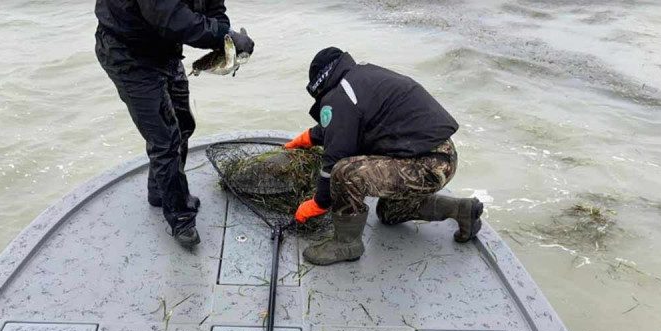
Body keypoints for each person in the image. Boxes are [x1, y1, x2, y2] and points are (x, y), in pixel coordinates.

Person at [286, 47, 483, 265]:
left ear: (319, 85)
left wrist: (319, 202)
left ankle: (346, 244)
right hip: (442, 157)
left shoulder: (341, 95)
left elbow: (334, 158)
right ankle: (461, 210)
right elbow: (349, 123)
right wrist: (311, 137)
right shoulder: (358, 78)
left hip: (426, 164)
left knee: (345, 172)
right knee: (389, 213)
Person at [95, 1, 254, 247]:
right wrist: (223, 35)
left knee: (183, 124)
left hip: (165, 49)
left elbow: (215, 9)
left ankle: (159, 192)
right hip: (127, 54)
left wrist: (227, 39)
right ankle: (181, 219)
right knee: (165, 139)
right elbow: (169, 16)